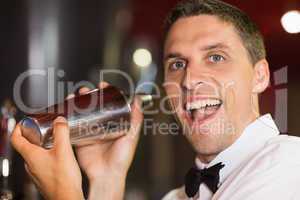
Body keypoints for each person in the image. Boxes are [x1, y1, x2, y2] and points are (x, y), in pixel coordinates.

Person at [10, 0, 300, 199]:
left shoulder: (290, 164)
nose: (188, 80)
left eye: (215, 57)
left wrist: (64, 194)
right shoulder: (175, 197)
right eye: (177, 64)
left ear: (260, 76)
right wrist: (107, 180)